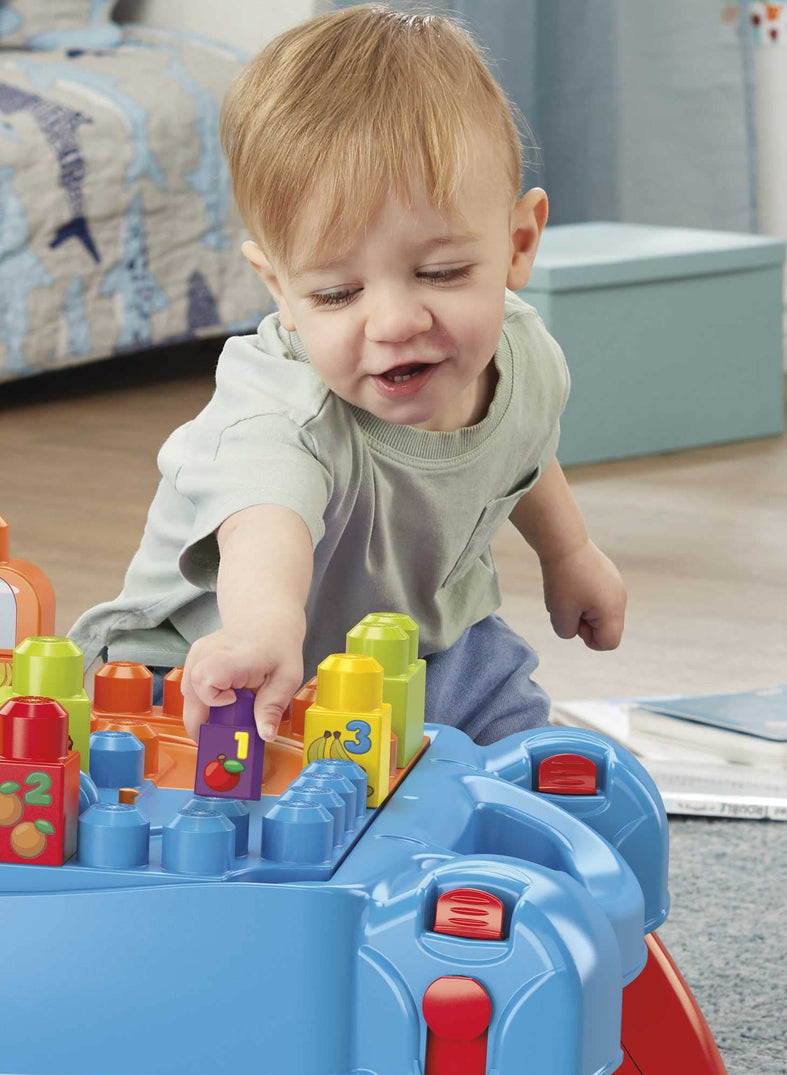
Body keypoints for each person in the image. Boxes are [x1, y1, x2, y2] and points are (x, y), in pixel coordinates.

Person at [69, 4, 627, 747]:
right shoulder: (278, 411)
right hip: (211, 669)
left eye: (441, 272)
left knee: (510, 719)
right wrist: (265, 627)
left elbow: (522, 446)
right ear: (279, 290)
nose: (394, 322)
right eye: (337, 293)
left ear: (519, 242)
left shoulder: (523, 353)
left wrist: (569, 553)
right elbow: (268, 521)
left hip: (416, 647)